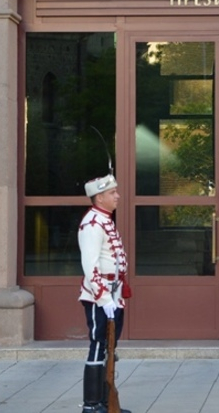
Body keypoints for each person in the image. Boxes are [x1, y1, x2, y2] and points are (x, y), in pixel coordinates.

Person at [78, 174, 132, 413]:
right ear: (100, 197)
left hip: (114, 294)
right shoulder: (92, 224)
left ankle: (104, 402)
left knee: (109, 348)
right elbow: (91, 267)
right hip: (100, 297)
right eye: (112, 193)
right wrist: (104, 299)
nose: (117, 196)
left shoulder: (105, 220)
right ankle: (91, 405)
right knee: (98, 346)